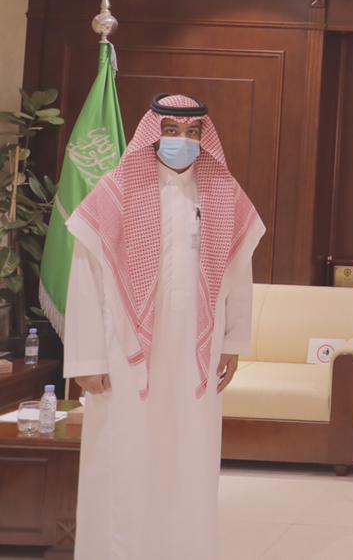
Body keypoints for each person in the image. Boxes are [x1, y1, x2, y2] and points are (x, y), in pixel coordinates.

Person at [64, 94, 264, 560]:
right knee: (125, 458)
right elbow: (85, 281)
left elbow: (238, 274)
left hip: (196, 355)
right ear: (153, 136)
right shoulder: (116, 192)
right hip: (125, 354)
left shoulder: (222, 194)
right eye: (171, 131)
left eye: (192, 133)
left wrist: (232, 342)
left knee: (189, 460)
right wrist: (88, 358)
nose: (182, 141)